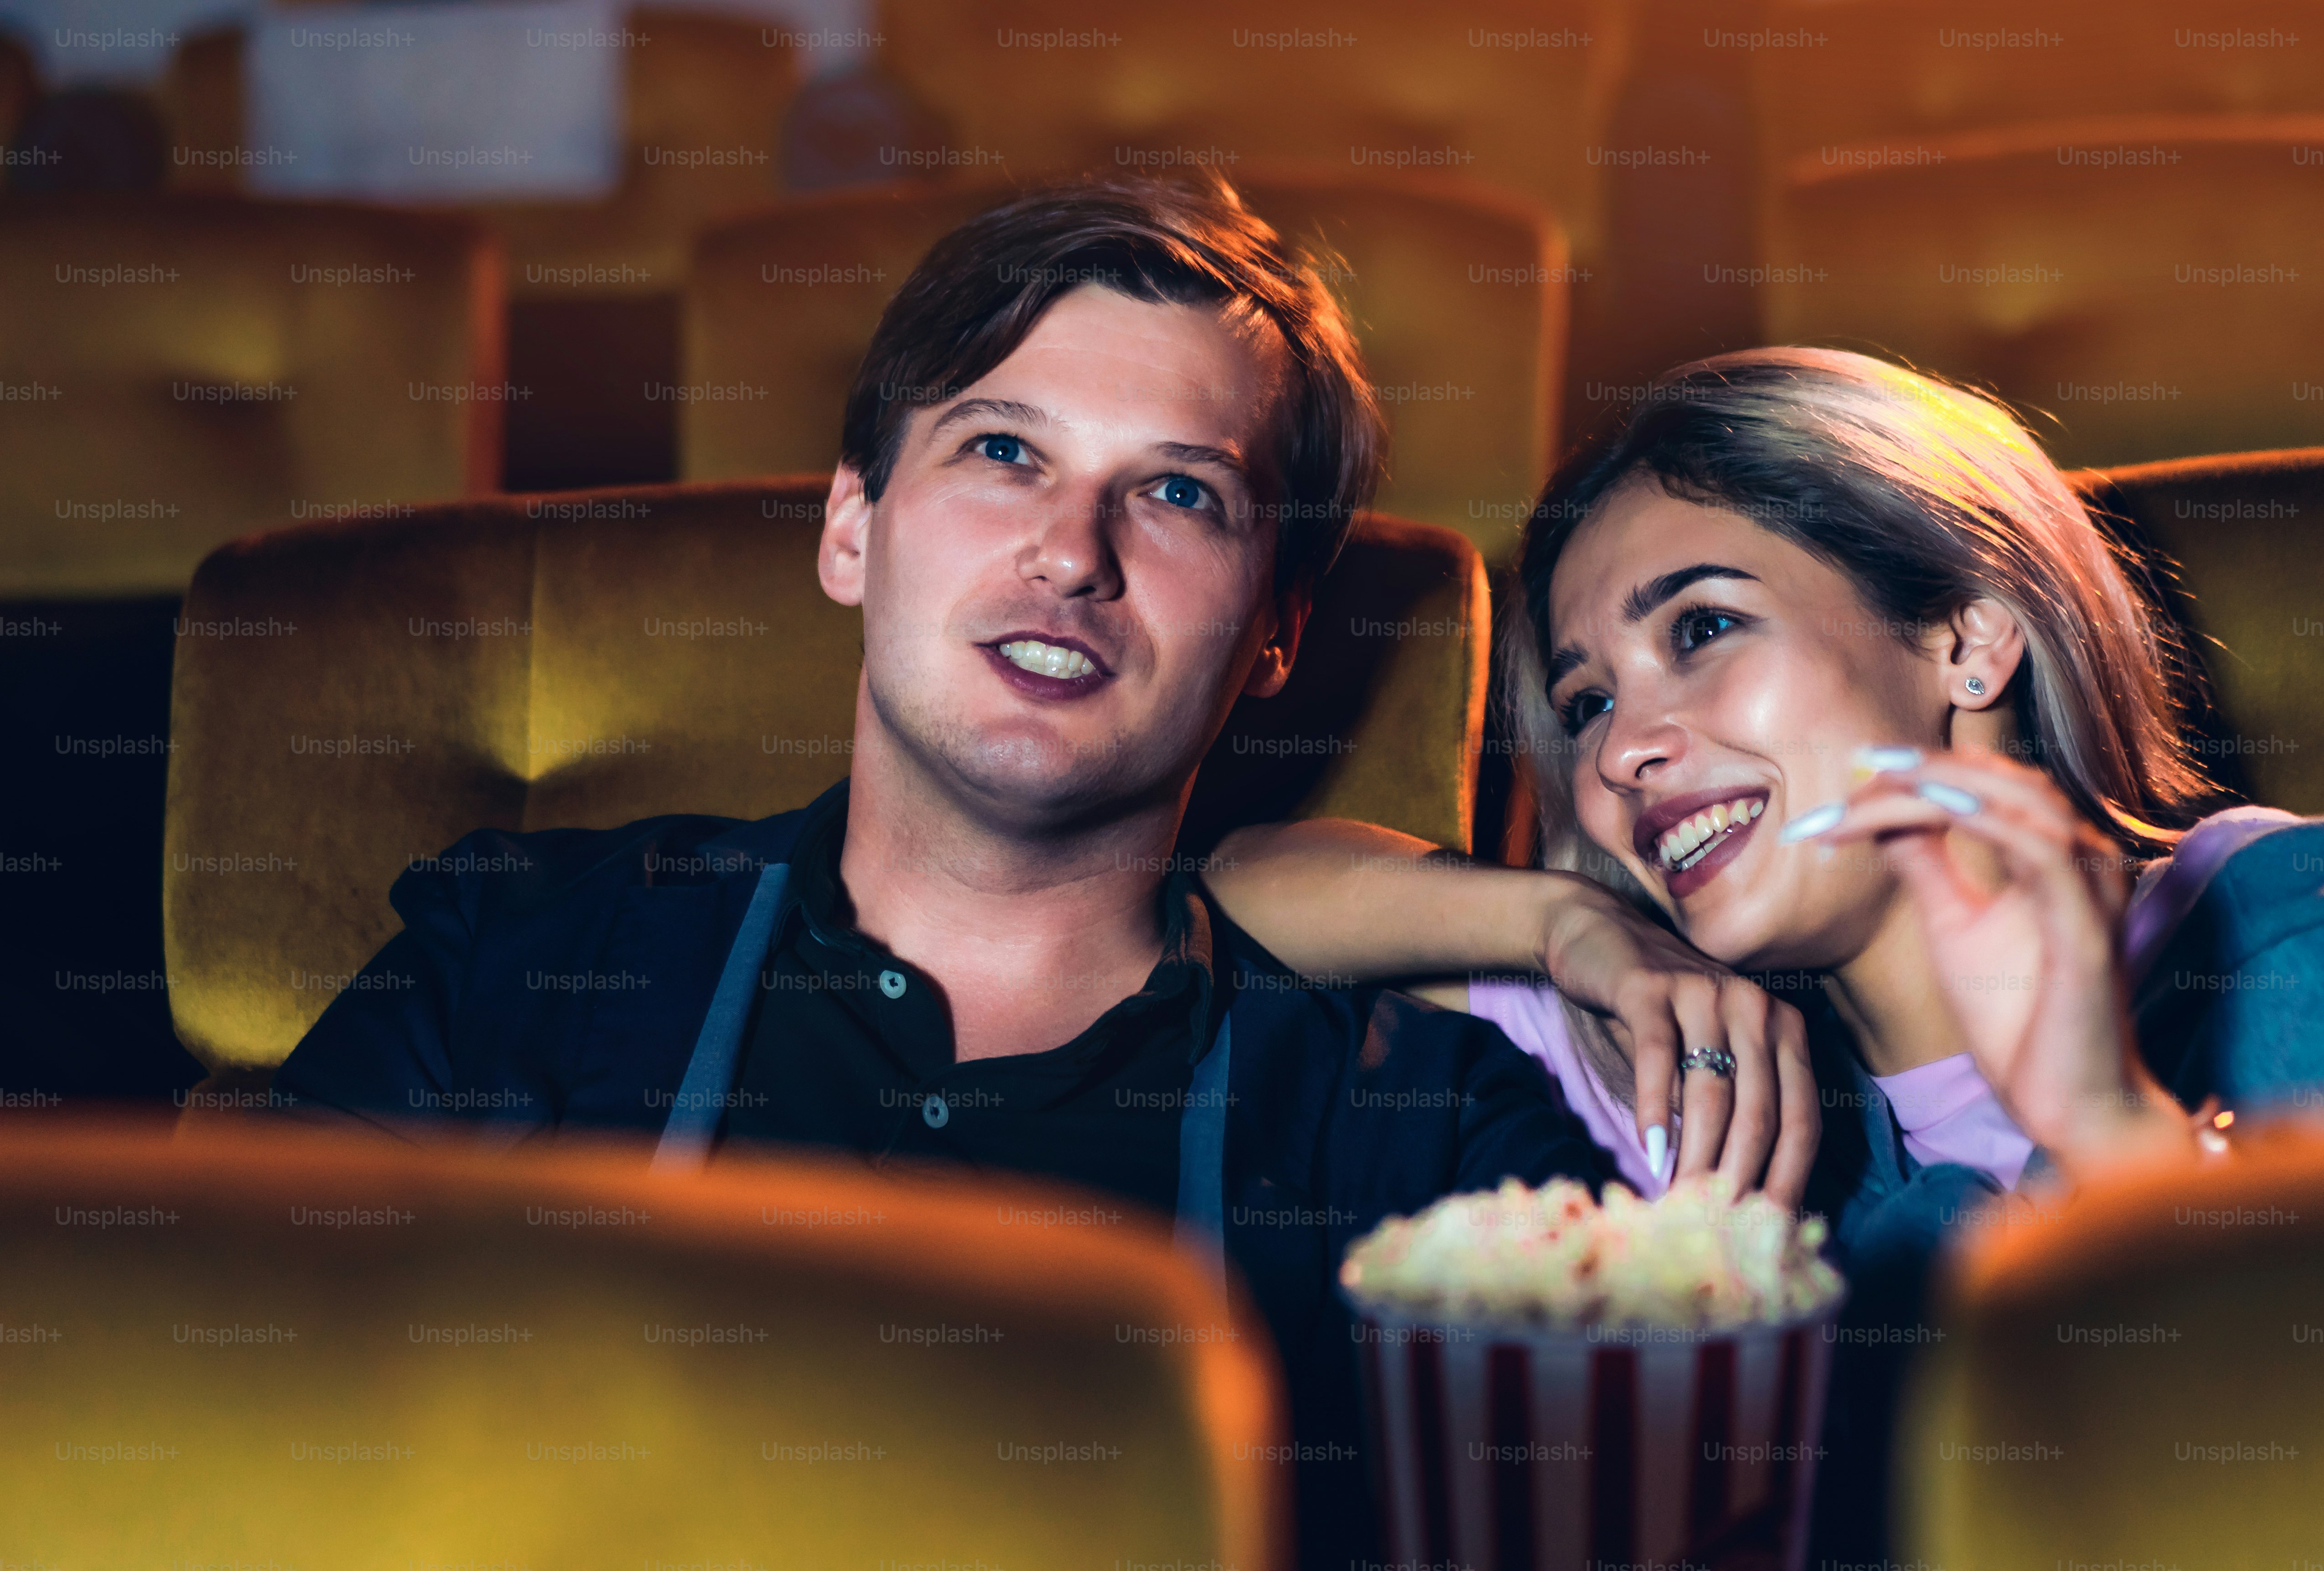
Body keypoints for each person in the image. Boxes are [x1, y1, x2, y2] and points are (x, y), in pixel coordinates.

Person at [267, 176, 1814, 1567]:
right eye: (1004, 451)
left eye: (1178, 493)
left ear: (1275, 633)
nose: (1074, 553)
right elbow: (239, 1445)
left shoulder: (1431, 1147)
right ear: (852, 529)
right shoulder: (512, 958)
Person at [1202, 345, 2324, 1556]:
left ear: (1970, 636)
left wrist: (2108, 1133)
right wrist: (1568, 923)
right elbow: (1238, 902)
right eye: (1588, 703)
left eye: (1704, 627)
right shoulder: (1697, 1046)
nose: (1622, 753)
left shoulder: (2286, 929)